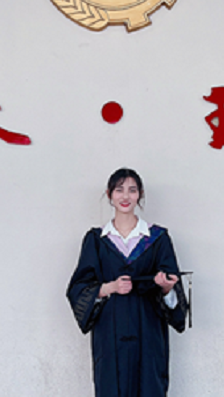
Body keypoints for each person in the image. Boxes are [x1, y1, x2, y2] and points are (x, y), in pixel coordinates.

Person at [67, 168, 188, 397]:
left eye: (132, 190)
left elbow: (174, 292)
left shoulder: (157, 239)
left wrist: (167, 288)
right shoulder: (96, 240)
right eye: (119, 190)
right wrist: (109, 287)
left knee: (149, 386)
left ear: (140, 194)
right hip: (110, 333)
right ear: (109, 194)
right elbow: (78, 288)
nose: (125, 196)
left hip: (148, 331)